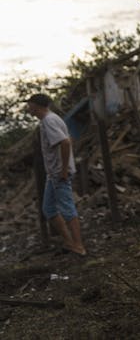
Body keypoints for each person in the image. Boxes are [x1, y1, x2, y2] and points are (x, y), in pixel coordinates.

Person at [26, 93, 87, 256]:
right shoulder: (52, 119)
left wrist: (64, 169)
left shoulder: (49, 121)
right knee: (49, 209)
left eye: (29, 105)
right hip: (53, 174)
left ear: (36, 106)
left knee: (67, 209)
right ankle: (69, 242)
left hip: (60, 174)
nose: (28, 108)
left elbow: (65, 142)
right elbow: (69, 139)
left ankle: (79, 246)